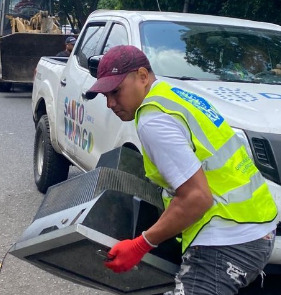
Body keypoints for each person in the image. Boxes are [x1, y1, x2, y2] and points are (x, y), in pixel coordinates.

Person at [85, 45, 278, 295]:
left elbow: (197, 198)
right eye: (105, 96)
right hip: (257, 226)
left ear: (143, 76)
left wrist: (141, 244)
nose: (110, 103)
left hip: (227, 241)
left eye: (116, 91)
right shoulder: (173, 95)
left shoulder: (153, 120)